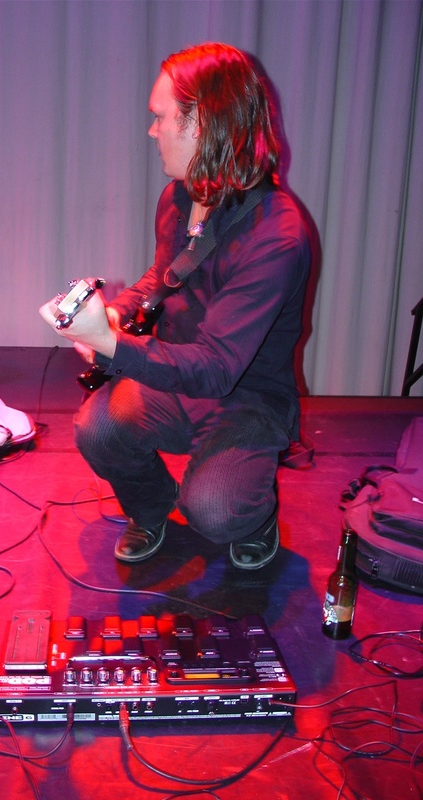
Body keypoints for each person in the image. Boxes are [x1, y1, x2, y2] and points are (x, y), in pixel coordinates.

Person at [39, 43, 311, 569]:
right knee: (96, 428)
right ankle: (151, 508)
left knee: (214, 510)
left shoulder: (277, 234)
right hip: (178, 377)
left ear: (202, 123)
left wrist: (109, 344)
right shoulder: (180, 197)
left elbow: (216, 369)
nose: (152, 130)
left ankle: (255, 517)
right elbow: (164, 275)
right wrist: (117, 313)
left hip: (245, 397)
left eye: (160, 117)